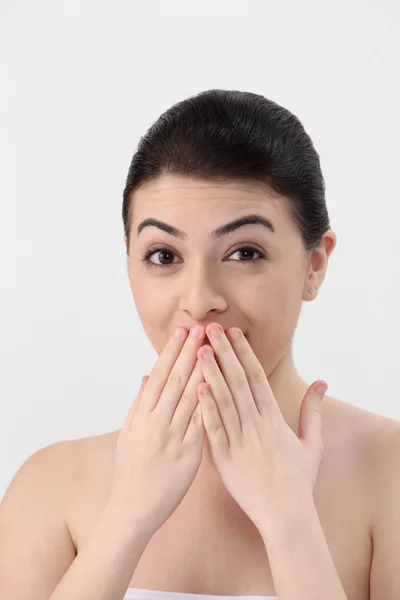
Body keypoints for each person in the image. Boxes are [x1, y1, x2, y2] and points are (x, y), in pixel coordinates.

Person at [1, 89, 399, 600]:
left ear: (314, 264)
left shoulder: (389, 472)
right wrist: (129, 516)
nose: (200, 300)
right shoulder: (50, 486)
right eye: (164, 255)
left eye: (244, 252)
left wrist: (288, 520)